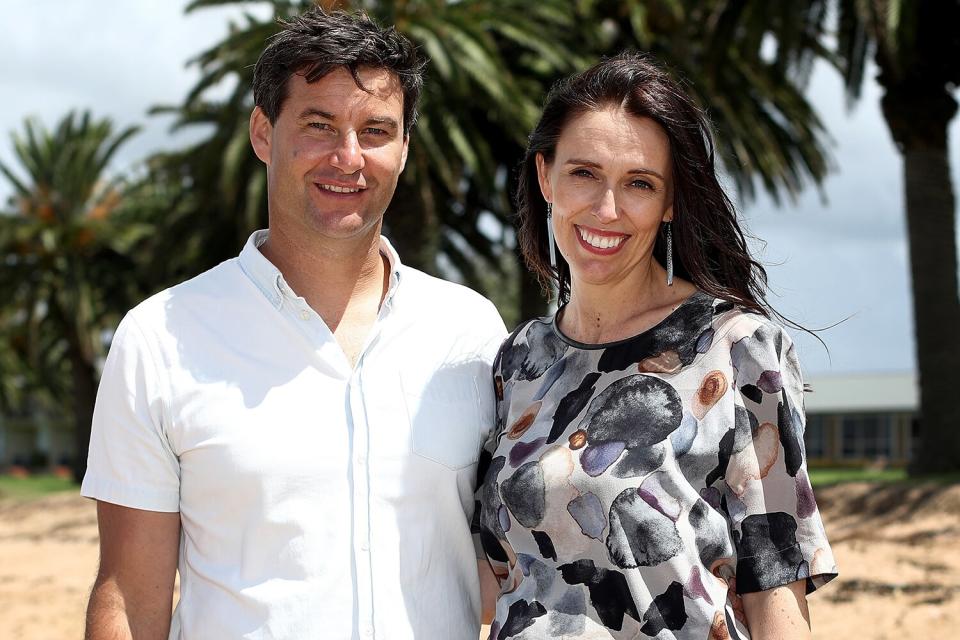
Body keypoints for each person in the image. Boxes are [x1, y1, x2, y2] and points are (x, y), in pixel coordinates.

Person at [82, 9, 506, 639]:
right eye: (319, 125)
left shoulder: (470, 332)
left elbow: (500, 569)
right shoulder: (160, 337)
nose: (348, 156)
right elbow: (129, 596)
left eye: (376, 130)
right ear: (263, 132)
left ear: (405, 147)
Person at [475, 53, 838, 639]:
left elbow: (776, 582)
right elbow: (494, 573)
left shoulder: (737, 349)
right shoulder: (517, 363)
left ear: (671, 202)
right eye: (583, 174)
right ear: (545, 177)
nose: (607, 209)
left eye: (639, 183)